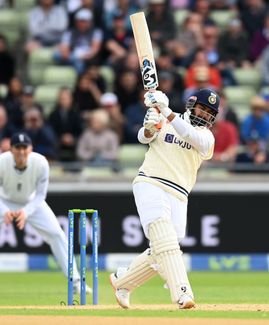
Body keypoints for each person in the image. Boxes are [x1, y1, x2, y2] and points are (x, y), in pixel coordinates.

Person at [109, 88, 220, 309]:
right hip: (151, 182)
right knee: (165, 241)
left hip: (180, 194)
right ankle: (183, 293)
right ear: (192, 104)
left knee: (162, 249)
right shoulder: (166, 117)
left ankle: (122, 281)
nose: (206, 114)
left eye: (210, 112)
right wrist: (151, 127)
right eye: (203, 108)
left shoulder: (207, 137)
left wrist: (166, 111)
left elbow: (189, 134)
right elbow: (143, 137)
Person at [0, 132, 90, 295]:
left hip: (31, 202)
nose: (21, 152)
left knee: (57, 234)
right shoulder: (0, 162)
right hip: (1, 201)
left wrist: (25, 212)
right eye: (18, 148)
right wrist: (4, 211)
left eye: (24, 148)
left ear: (30, 149)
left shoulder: (41, 163)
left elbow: (41, 195)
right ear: (11, 149)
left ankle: (77, 282)